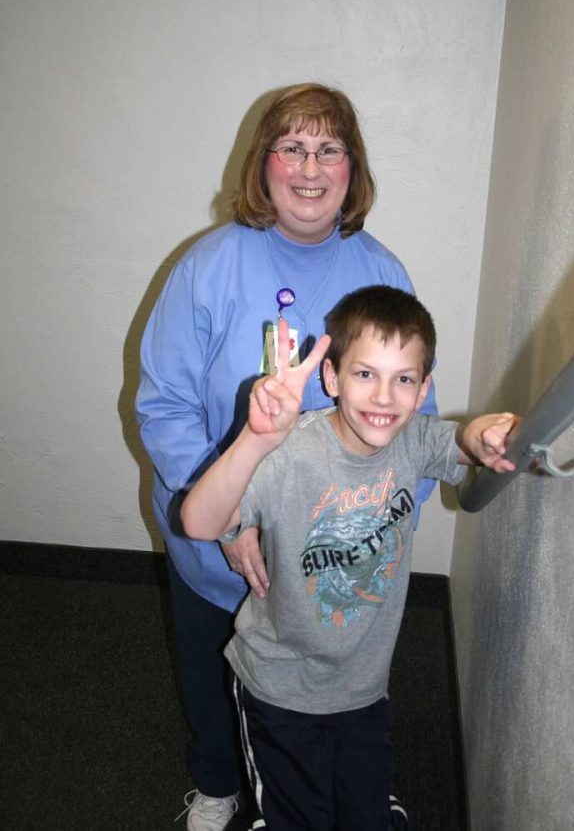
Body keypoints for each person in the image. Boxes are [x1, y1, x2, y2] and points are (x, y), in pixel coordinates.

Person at [135, 83, 438, 831]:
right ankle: (217, 782)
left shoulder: (383, 271)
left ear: (352, 168)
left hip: (336, 554)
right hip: (220, 543)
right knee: (217, 675)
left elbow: (416, 417)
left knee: (334, 680)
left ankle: (355, 782)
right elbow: (165, 407)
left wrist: (365, 527)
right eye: (292, 147)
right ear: (263, 165)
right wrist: (234, 525)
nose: (310, 166)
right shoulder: (208, 266)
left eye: (329, 148)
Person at [180, 285, 518, 831]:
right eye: (365, 374)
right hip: (279, 686)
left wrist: (482, 434)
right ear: (331, 378)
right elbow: (198, 523)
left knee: (365, 812)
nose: (384, 397)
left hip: (362, 685)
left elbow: (465, 443)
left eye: (403, 379)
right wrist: (256, 440)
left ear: (422, 387)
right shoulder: (290, 453)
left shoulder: (413, 442)